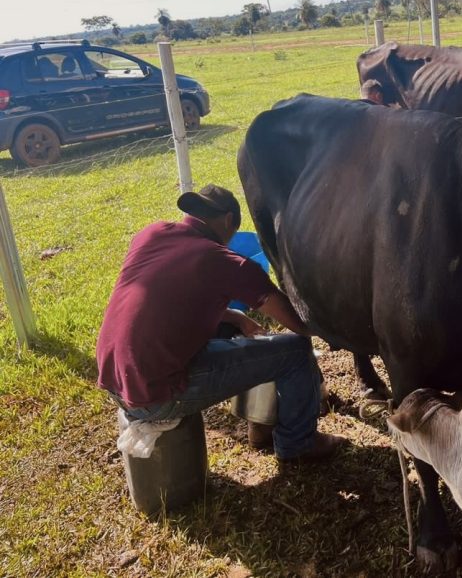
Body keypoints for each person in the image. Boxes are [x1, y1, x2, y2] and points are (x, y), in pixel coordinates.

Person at [95, 184, 345, 469]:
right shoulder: (223, 261)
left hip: (115, 378)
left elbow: (174, 298)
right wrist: (329, 326)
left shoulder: (151, 234)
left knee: (246, 337)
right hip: (155, 396)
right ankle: (298, 443)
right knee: (295, 351)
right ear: (229, 221)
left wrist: (238, 318)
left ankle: (262, 425)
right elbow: (297, 323)